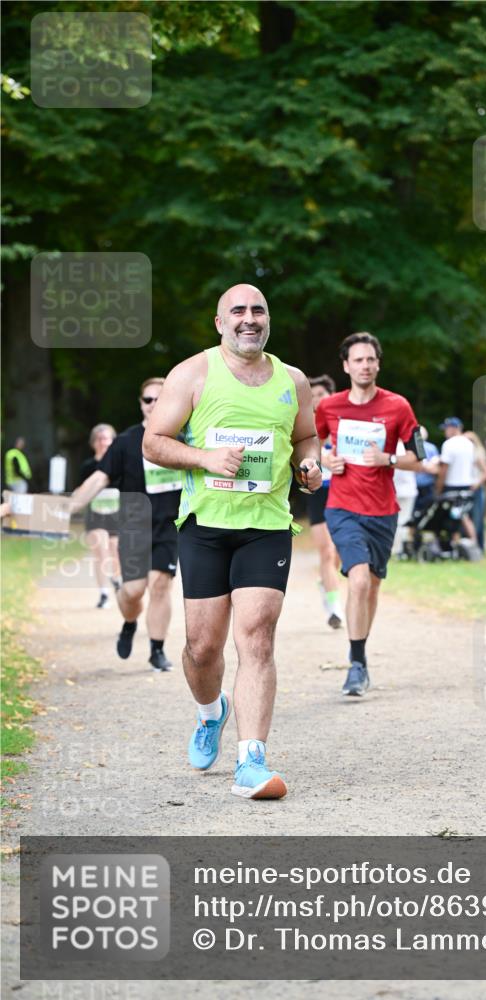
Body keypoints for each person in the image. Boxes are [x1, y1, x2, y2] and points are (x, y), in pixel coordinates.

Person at [142, 283, 322, 801]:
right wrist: (204, 459)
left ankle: (252, 760)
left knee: (258, 637)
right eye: (237, 311)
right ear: (219, 322)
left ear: (269, 320)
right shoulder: (193, 373)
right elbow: (155, 440)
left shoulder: (292, 380)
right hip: (205, 526)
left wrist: (309, 465)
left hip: (266, 525)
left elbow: (305, 437)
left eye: (258, 310)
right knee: (202, 649)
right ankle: (210, 712)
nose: (249, 318)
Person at [315, 332, 423, 697]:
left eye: (370, 359)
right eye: (358, 360)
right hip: (342, 507)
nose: (365, 365)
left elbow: (419, 456)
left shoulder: (398, 406)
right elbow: (309, 445)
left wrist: (389, 459)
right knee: (358, 580)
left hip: (383, 510)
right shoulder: (329, 406)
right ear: (346, 366)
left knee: (372, 585)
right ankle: (357, 664)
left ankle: (359, 652)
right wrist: (324, 459)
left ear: (378, 363)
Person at [70, 379, 180, 672]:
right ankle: (129, 622)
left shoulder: (184, 438)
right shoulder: (125, 442)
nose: (154, 404)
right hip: (134, 526)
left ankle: (157, 650)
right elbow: (99, 478)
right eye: (148, 399)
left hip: (169, 526)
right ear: (140, 403)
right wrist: (67, 507)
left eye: (160, 398)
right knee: (133, 591)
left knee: (160, 585)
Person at [307, 375, 343, 629]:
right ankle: (335, 607)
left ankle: (326, 583)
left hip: (343, 491)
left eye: (322, 393)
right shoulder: (306, 427)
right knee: (327, 551)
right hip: (318, 491)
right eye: (314, 395)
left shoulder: (345, 422)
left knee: (339, 552)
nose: (318, 399)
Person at [78, 423, 122, 609]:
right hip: (95, 514)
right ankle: (104, 593)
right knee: (100, 548)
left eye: (107, 438)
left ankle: (117, 580)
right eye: (100, 439)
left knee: (115, 549)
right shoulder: (88, 466)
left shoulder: (119, 463)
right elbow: (82, 490)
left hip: (116, 513)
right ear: (94, 443)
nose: (104, 442)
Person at [435, 417, 477, 545]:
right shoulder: (469, 444)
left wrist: (438, 487)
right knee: (461, 515)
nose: (445, 432)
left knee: (456, 516)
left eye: (446, 429)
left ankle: (462, 543)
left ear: (453, 429)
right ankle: (464, 542)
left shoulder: (448, 444)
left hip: (452, 485)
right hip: (467, 484)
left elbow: (444, 469)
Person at [465, 430, 486, 554]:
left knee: (477, 519)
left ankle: (479, 548)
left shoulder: (477, 455)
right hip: (469, 489)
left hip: (477, 490)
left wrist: (476, 484)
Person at [413, 426, 440, 521]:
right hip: (416, 485)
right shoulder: (412, 447)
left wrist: (421, 467)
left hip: (425, 485)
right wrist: (425, 467)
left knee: (421, 510)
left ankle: (415, 531)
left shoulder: (431, 448)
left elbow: (436, 468)